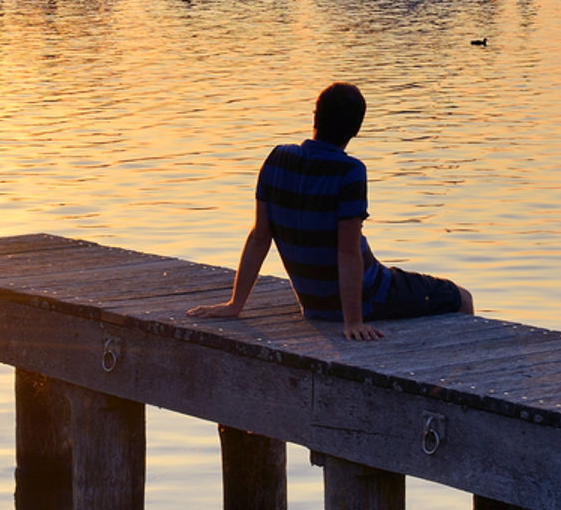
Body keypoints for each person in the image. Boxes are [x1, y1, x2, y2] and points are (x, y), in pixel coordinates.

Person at [189, 83, 474, 342]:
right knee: (460, 297)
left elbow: (259, 238)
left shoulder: (277, 159)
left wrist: (235, 304)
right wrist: (353, 321)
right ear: (356, 130)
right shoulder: (349, 172)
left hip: (314, 305)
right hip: (371, 295)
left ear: (315, 116)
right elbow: (347, 251)